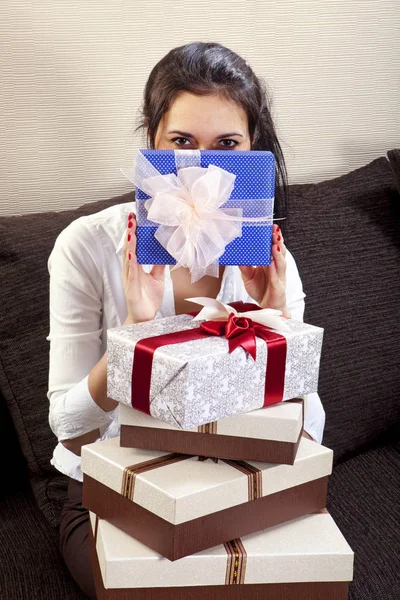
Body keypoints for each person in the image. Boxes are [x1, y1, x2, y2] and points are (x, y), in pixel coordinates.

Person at [47, 41, 325, 599]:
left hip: (238, 481)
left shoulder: (267, 258)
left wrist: (277, 322)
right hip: (113, 486)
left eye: (227, 144)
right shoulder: (88, 245)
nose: (202, 165)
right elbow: (68, 427)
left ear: (252, 149)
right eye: (181, 143)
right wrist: (137, 329)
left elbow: (310, 432)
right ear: (152, 138)